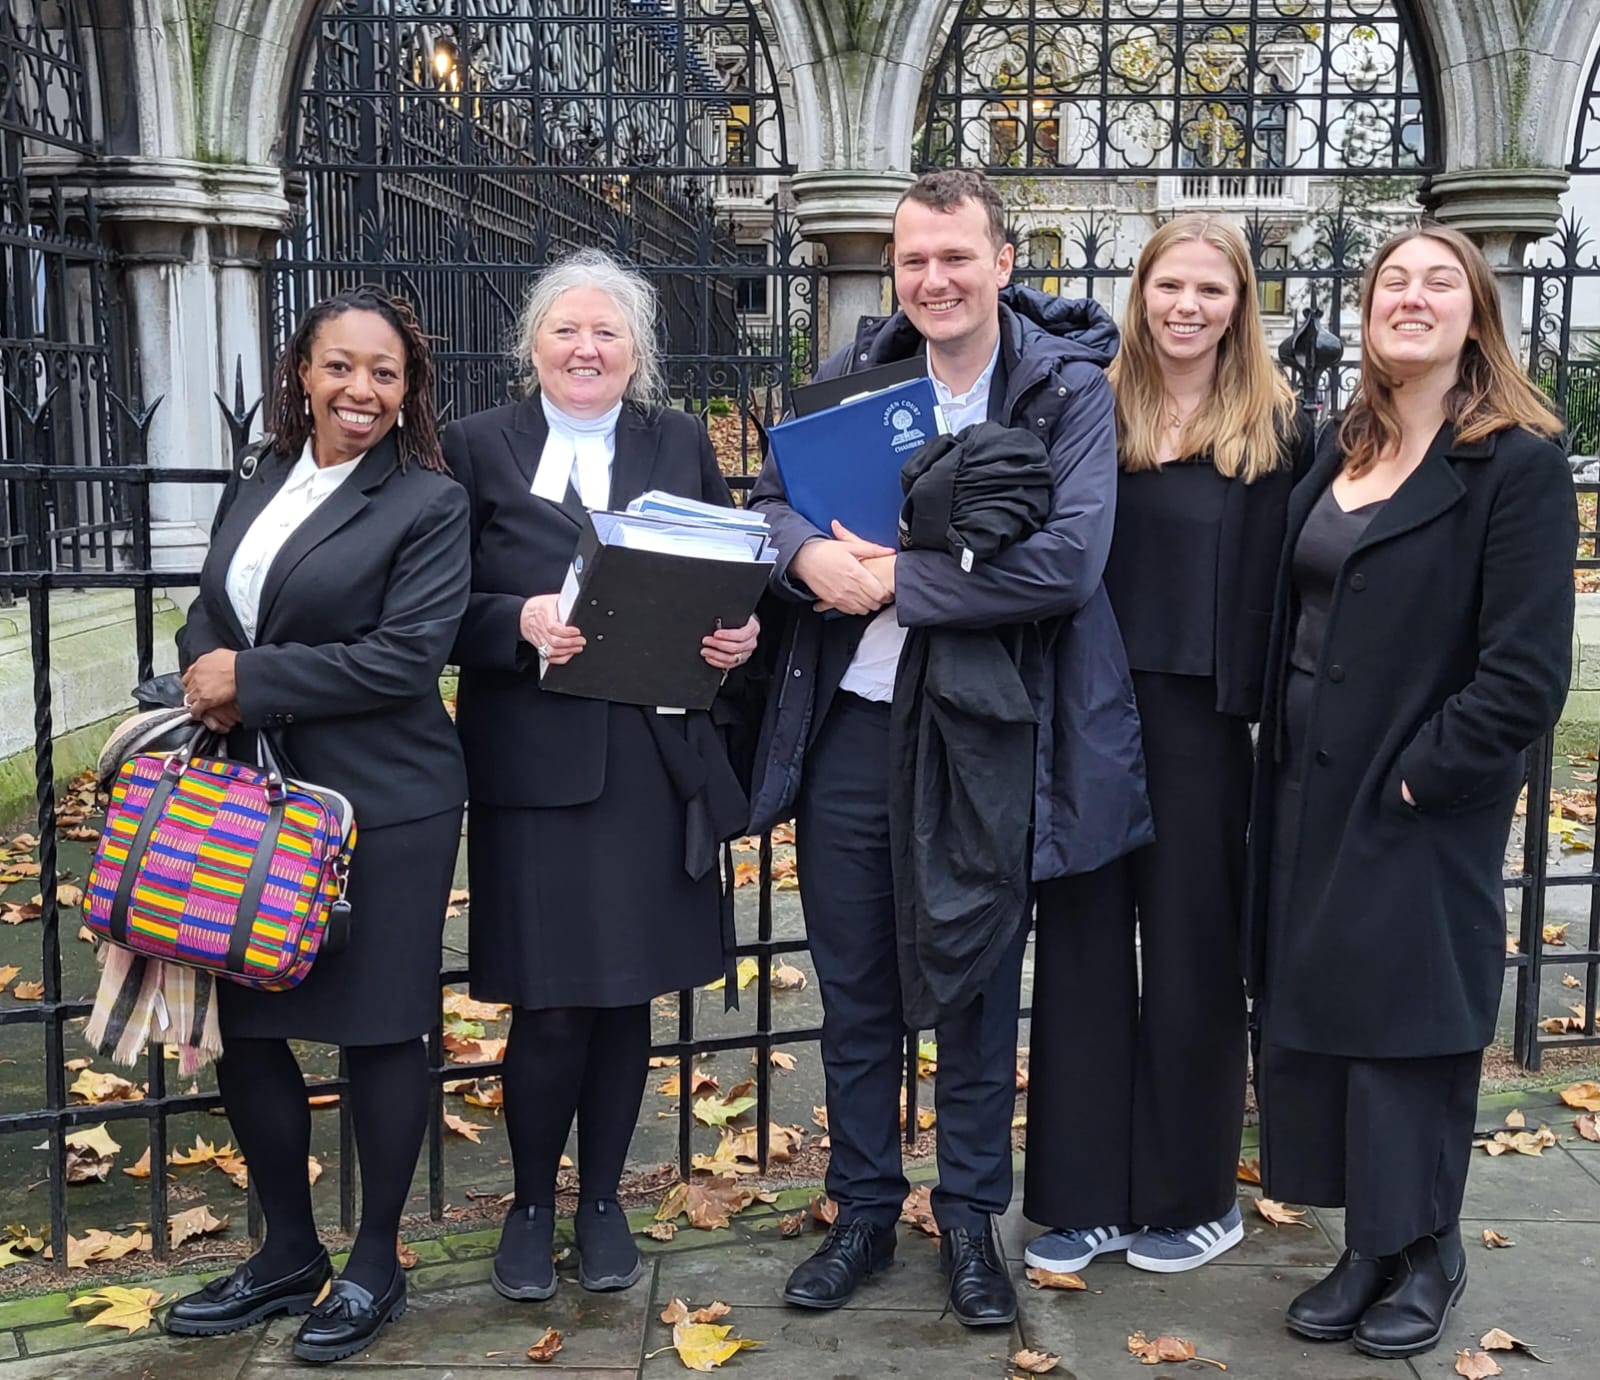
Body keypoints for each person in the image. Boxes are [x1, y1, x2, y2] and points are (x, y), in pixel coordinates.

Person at [748, 169, 1151, 1327]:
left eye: (955, 257)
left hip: (983, 734)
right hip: (851, 733)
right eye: (914, 259)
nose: (933, 279)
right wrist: (801, 560)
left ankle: (971, 1221)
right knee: (856, 988)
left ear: (1002, 263)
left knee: (974, 987)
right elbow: (775, 499)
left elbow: (1068, 565)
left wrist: (897, 579)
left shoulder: (1062, 391)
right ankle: (864, 1210)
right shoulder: (855, 379)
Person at [1248, 225, 1577, 1360]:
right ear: (1366, 309)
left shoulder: (1516, 463)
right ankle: (1365, 1246)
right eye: (1393, 280)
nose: (1412, 297)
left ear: (1475, 314)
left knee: (1405, 1029)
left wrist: (1421, 778)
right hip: (1301, 786)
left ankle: (1424, 1247)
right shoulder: (1340, 449)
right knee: (1325, 1021)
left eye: (1440, 282)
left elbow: (1528, 671)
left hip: (1411, 795)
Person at [446, 249, 759, 1302]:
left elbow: (724, 574)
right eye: (566, 331)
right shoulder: (474, 449)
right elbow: (434, 606)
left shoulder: (675, 441)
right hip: (535, 767)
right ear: (531, 342)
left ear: (638, 352)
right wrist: (516, 621)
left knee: (626, 1000)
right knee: (551, 1004)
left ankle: (604, 1200)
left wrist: (736, 637)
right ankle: (532, 1202)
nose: (586, 349)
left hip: (650, 763)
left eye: (608, 334)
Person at [167, 286, 471, 1363]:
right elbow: (218, 602)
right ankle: (287, 1251)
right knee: (249, 1028)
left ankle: (375, 1260)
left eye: (384, 373)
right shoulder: (263, 479)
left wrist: (247, 678)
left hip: (382, 803)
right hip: (251, 797)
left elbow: (404, 657)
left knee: (381, 1027)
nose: (362, 390)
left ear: (408, 389)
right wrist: (209, 662)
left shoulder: (427, 503)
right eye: (341, 366)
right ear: (303, 371)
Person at [1023, 215, 1310, 1277]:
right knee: (1083, 949)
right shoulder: (1090, 410)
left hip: (1206, 723)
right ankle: (1081, 1194)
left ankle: (1193, 1194)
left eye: (1210, 290)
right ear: (1139, 294)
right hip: (1091, 706)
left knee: (1193, 954)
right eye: (1168, 287)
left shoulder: (1280, 430)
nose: (1186, 307)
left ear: (1240, 305)